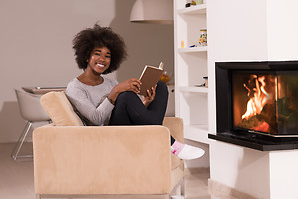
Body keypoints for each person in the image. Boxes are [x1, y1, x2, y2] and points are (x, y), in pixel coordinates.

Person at [66, 24, 204, 160]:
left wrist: (146, 103)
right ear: (86, 56)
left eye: (107, 56)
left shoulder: (110, 83)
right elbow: (96, 120)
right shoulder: (75, 87)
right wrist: (115, 92)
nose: (103, 59)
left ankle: (164, 142)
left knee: (160, 86)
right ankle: (172, 144)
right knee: (125, 96)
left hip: (124, 128)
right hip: (106, 135)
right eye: (97, 54)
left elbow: (132, 114)